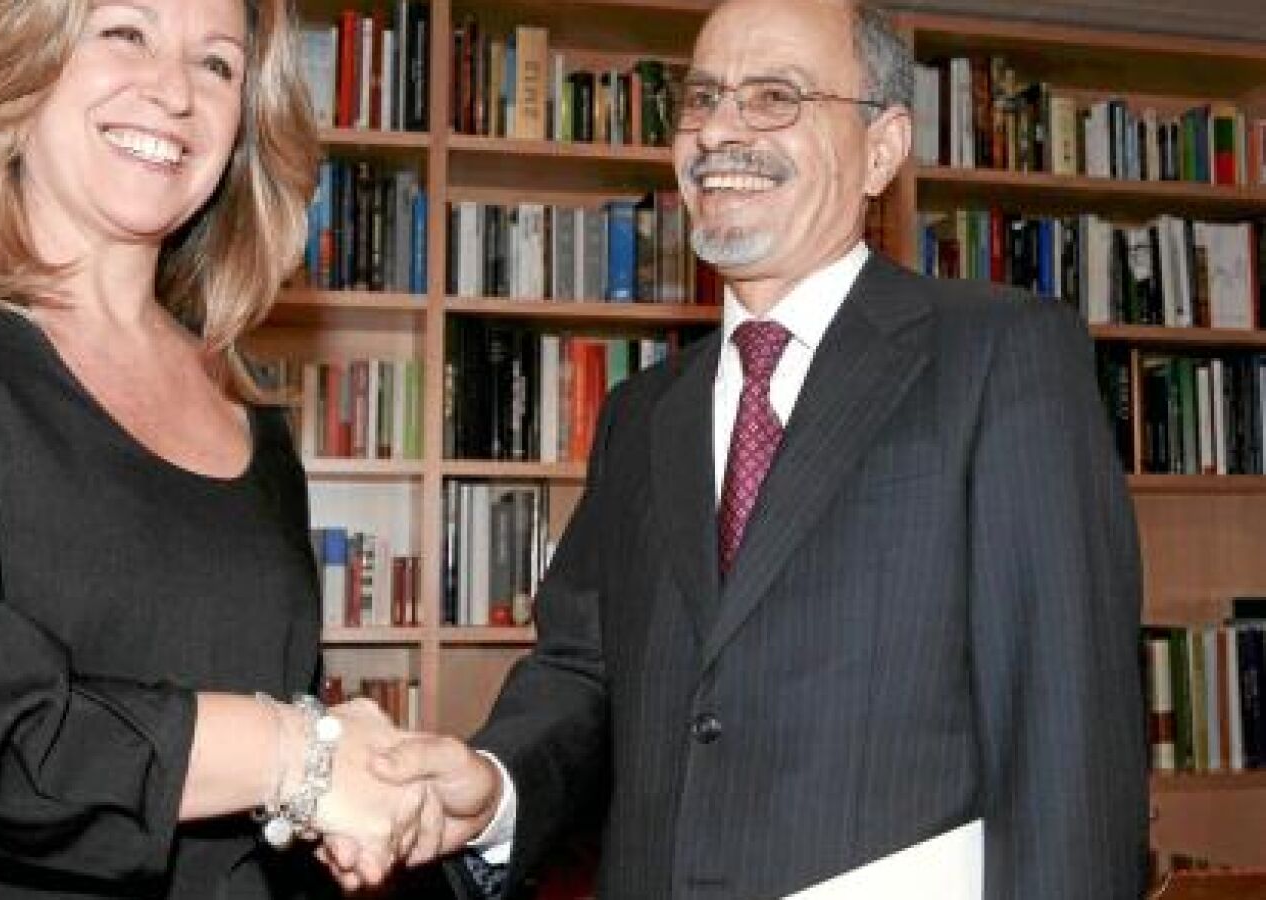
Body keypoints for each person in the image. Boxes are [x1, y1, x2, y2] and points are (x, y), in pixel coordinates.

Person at [358, 0, 1149, 897]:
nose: (719, 130)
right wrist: (495, 789)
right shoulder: (639, 414)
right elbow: (583, 673)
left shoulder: (1000, 355)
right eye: (702, 98)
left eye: (775, 96)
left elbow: (1069, 733)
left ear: (881, 149)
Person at [0, 0, 424, 896]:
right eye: (126, 33)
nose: (174, 92)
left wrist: (396, 797)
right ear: (26, 59)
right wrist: (296, 753)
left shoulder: (248, 411)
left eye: (217, 64)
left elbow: (247, 801)